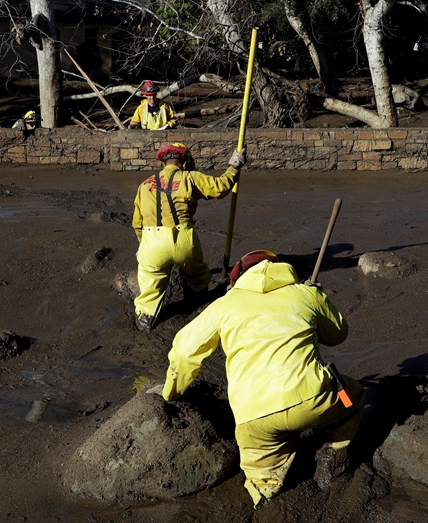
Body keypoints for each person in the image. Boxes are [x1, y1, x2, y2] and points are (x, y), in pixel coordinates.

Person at [162, 250, 365, 507]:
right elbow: (338, 334)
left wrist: (171, 393)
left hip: (252, 416)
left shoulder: (225, 305)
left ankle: (264, 500)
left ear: (238, 279)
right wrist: (318, 297)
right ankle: (335, 457)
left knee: (261, 485)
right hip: (314, 400)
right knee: (354, 397)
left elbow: (183, 351)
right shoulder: (305, 293)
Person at [131, 142, 245, 330]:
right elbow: (220, 187)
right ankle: (196, 307)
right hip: (183, 237)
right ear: (184, 163)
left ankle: (145, 322)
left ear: (164, 163)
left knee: (150, 290)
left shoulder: (144, 185)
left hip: (151, 241)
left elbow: (137, 223)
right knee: (197, 274)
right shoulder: (190, 177)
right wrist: (234, 166)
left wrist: (144, 244)